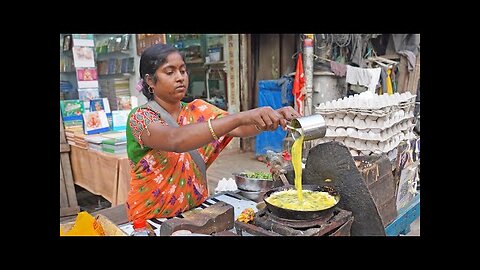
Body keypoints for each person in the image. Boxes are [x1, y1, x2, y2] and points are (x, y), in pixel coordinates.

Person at [126, 43, 300, 222]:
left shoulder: (198, 110)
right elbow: (175, 139)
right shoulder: (141, 118)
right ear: (149, 81)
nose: (180, 78)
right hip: (150, 221)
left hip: (196, 214)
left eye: (183, 71)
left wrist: (274, 117)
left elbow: (238, 128)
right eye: (170, 72)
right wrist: (241, 116)